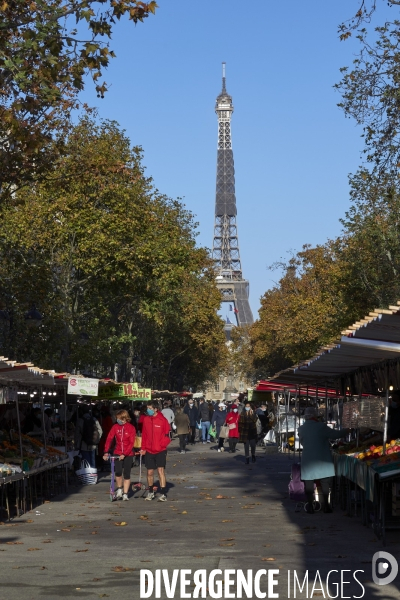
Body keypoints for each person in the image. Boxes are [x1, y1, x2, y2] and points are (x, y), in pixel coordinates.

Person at [298, 407, 349, 514]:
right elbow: (336, 435)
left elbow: (303, 442)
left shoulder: (301, 428)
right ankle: (326, 505)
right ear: (315, 416)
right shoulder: (321, 426)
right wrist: (348, 430)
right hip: (323, 458)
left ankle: (310, 506)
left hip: (308, 458)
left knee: (308, 483)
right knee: (325, 482)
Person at [140, 400, 171, 501]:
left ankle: (162, 493)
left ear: (155, 409)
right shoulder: (146, 420)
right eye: (147, 408)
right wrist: (143, 448)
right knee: (149, 472)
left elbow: (168, 435)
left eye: (150, 408)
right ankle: (151, 492)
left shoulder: (163, 420)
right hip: (149, 450)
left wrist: (162, 444)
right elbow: (144, 435)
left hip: (160, 449)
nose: (148, 410)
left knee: (160, 470)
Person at [103, 409, 136, 501]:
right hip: (117, 452)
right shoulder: (115, 427)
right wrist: (106, 451)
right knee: (117, 472)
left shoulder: (131, 428)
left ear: (124, 418)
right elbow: (109, 439)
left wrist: (124, 454)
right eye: (117, 418)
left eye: (119, 418)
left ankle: (125, 493)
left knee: (127, 474)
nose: (117, 420)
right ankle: (120, 489)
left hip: (128, 453)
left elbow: (131, 442)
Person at [98, 406, 114, 470]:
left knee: (107, 451)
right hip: (104, 437)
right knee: (103, 450)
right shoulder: (103, 418)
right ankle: (105, 464)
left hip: (107, 437)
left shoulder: (108, 418)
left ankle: (108, 465)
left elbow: (110, 428)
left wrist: (104, 429)